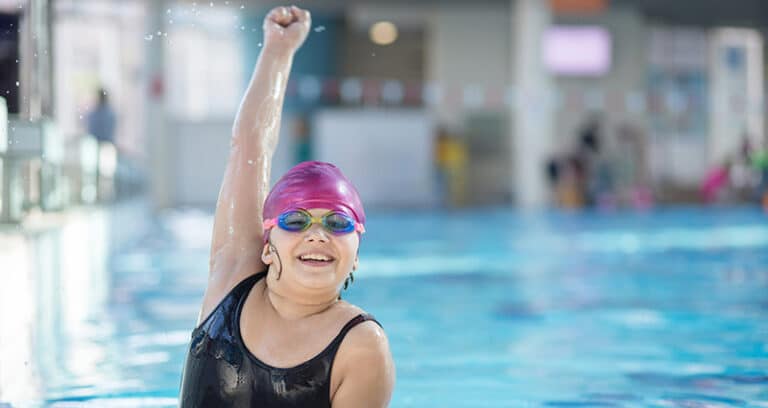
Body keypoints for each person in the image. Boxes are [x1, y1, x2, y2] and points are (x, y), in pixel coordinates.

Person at [178, 6, 395, 407]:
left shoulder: (362, 347)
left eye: (338, 223)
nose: (318, 233)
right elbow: (248, 147)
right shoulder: (232, 277)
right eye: (295, 220)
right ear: (265, 244)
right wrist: (278, 51)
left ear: (357, 256)